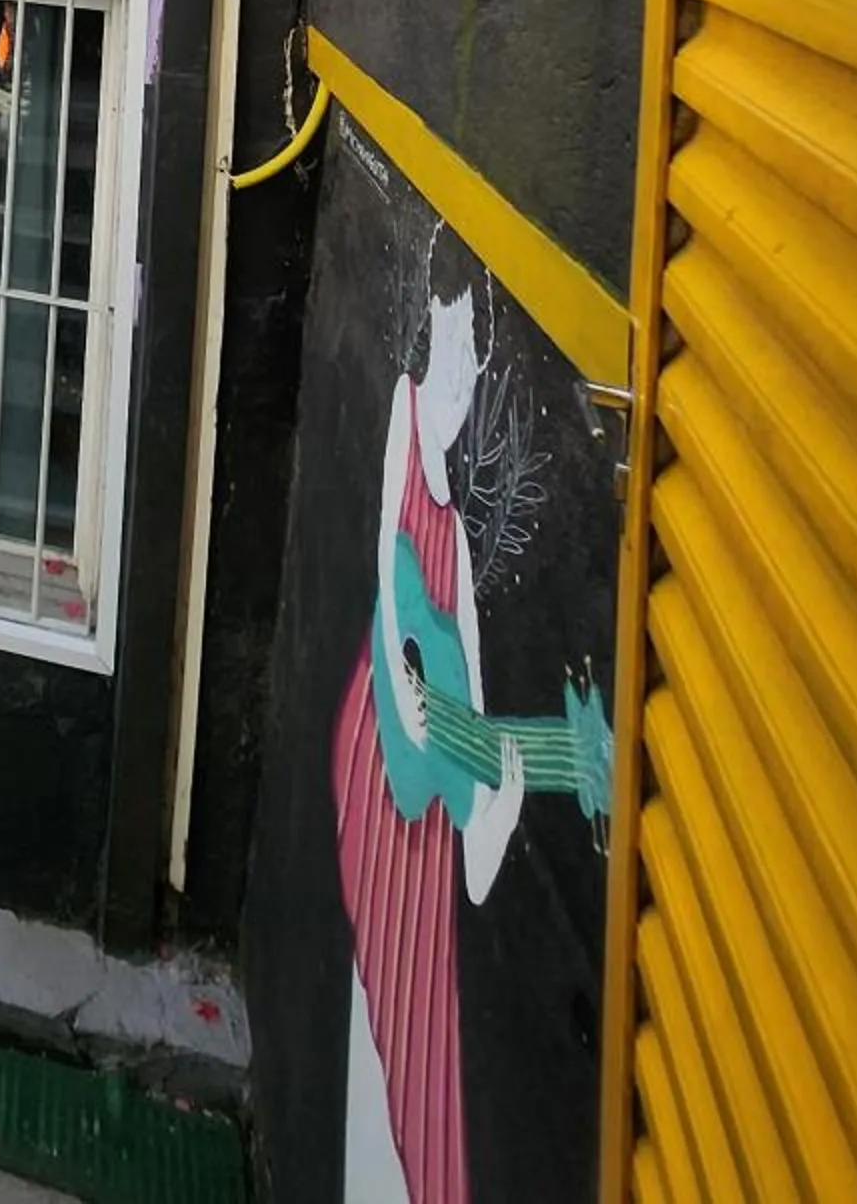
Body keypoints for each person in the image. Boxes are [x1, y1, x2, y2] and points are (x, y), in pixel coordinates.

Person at [332, 277, 524, 1204]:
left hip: (425, 807)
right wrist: (412, 711)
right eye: (446, 347)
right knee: (382, 998)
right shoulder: (405, 420)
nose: (453, 377)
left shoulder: (454, 539)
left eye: (466, 359)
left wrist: (497, 798)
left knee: (420, 1020)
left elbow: (477, 697)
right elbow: (379, 566)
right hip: (379, 764)